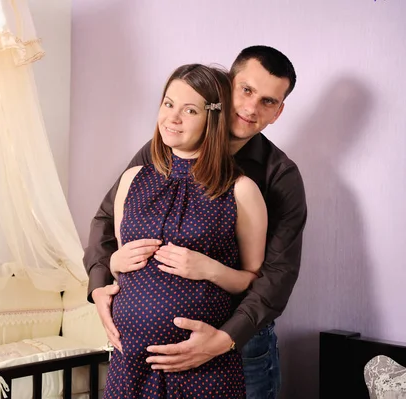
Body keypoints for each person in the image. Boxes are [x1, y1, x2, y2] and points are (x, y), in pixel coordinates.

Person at [85, 46, 307, 398]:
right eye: (246, 90)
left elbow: (276, 274)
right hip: (138, 363)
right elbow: (108, 220)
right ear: (224, 86)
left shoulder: (277, 176)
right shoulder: (165, 148)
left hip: (238, 347)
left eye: (267, 101)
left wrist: (224, 339)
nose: (251, 108)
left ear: (278, 112)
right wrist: (101, 281)